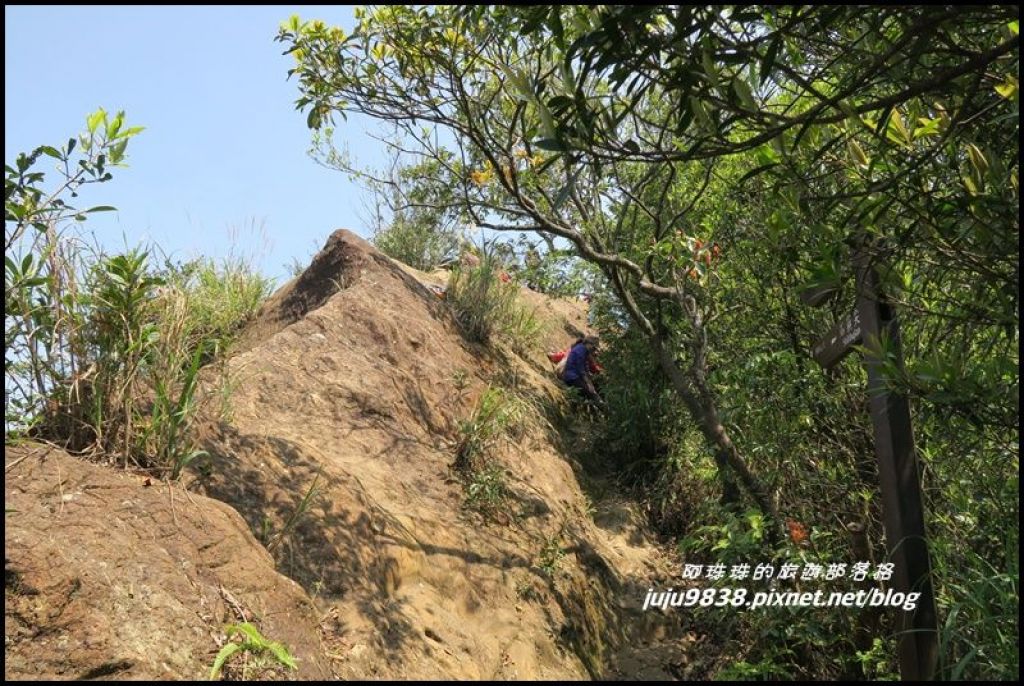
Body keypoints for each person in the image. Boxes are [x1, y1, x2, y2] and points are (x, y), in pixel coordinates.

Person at [561, 335, 603, 407]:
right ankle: (604, 409)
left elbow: (585, 368)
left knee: (597, 387)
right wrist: (589, 384)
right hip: (572, 378)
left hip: (576, 376)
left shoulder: (584, 351)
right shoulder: (580, 351)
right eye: (593, 348)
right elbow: (581, 370)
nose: (594, 350)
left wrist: (590, 381)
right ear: (589, 344)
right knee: (592, 393)